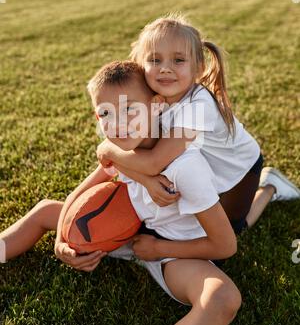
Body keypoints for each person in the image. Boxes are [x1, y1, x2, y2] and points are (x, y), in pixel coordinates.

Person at [0, 60, 242, 325]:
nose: (118, 124)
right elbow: (80, 194)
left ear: (156, 106)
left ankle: (268, 189)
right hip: (124, 231)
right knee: (45, 210)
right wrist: (60, 241)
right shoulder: (120, 150)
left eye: (130, 109)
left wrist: (158, 249)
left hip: (175, 252)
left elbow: (225, 246)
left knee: (222, 298)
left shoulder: (186, 167)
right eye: (106, 113)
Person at [97, 14, 300, 235]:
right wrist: (144, 179)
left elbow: (154, 162)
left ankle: (269, 187)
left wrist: (108, 149)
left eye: (178, 60)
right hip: (204, 165)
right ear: (140, 64)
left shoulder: (197, 106)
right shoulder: (151, 96)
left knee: (232, 231)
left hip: (238, 171)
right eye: (155, 60)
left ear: (199, 68)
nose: (165, 68)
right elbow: (137, 150)